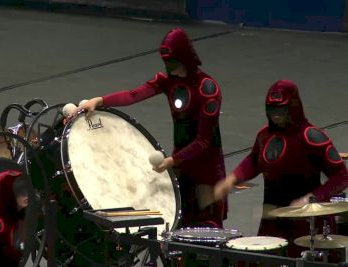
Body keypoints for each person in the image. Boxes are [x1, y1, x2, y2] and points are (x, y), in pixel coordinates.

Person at [75, 28, 227, 228]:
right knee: (180, 224)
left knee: (208, 226)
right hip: (180, 162)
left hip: (206, 167)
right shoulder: (167, 81)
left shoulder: (207, 89)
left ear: (185, 57)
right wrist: (99, 100)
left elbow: (203, 141)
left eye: (174, 61)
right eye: (167, 63)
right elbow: (133, 95)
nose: (170, 67)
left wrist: (173, 160)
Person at [214, 79, 348, 257]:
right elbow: (253, 161)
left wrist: (313, 198)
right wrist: (233, 178)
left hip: (306, 225)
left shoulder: (312, 137)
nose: (276, 115)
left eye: (281, 110)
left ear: (293, 107)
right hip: (272, 223)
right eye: (272, 109)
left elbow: (341, 177)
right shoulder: (264, 135)